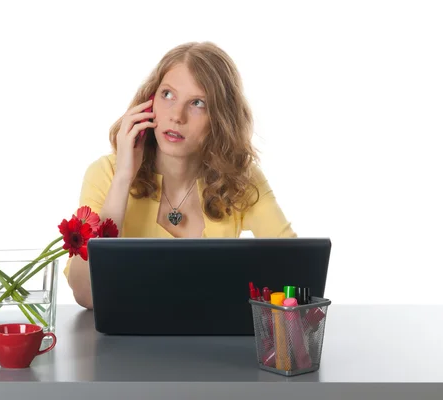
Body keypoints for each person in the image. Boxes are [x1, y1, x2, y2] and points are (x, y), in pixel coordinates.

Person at [64, 41, 296, 309]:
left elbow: (294, 268)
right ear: (149, 102)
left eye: (197, 103)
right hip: (126, 344)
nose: (176, 116)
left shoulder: (240, 179)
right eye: (167, 95)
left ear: (221, 118)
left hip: (212, 342)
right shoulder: (105, 173)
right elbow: (85, 294)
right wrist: (123, 178)